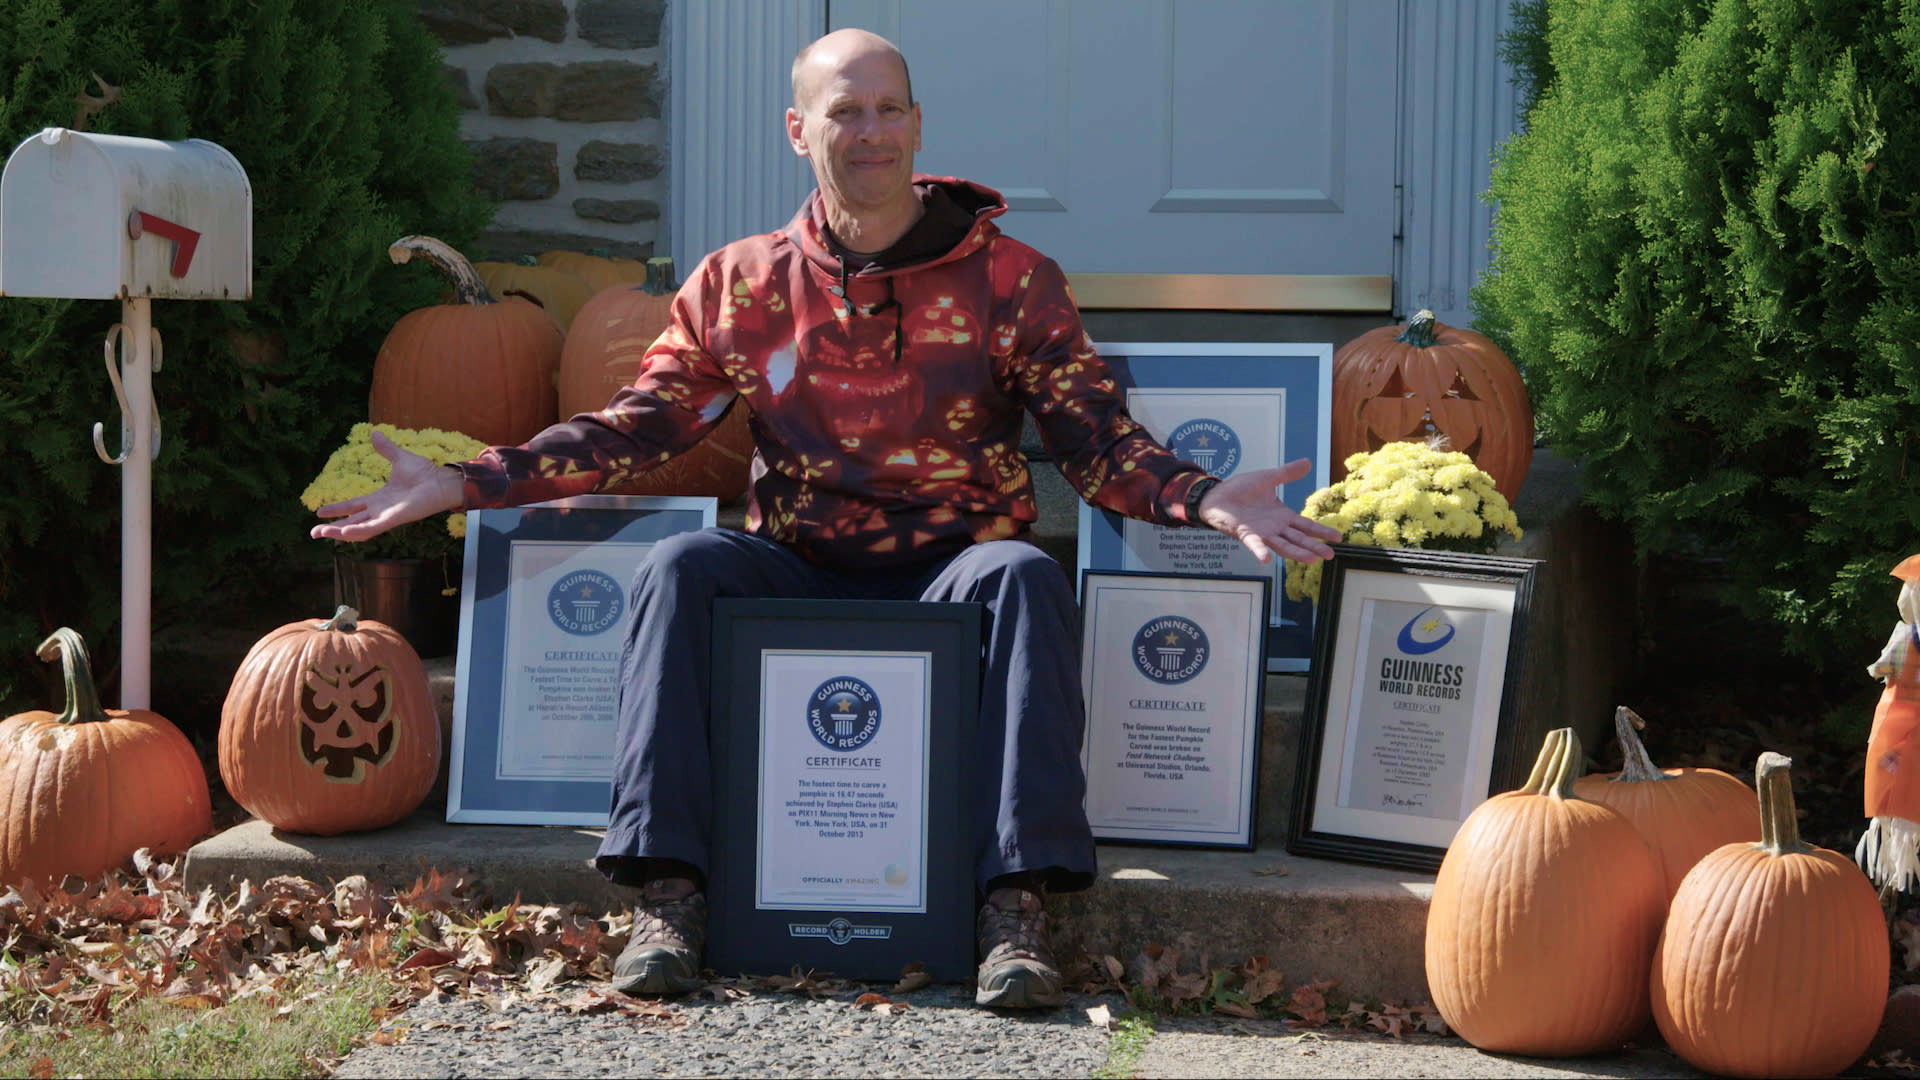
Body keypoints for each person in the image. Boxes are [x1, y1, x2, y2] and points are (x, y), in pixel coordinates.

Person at [313, 28, 1341, 1009]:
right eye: (846, 111)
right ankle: (671, 897)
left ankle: (1013, 911)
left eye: (890, 109)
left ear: (920, 125)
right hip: (796, 567)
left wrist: (1203, 495)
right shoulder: (741, 285)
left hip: (958, 566)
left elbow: (1095, 440)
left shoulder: (1012, 280)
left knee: (1027, 577)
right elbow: (642, 427)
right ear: (798, 130)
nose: (873, 132)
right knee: (679, 567)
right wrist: (470, 481)